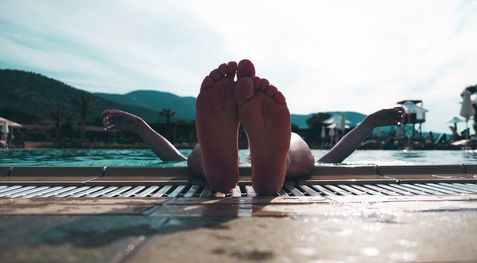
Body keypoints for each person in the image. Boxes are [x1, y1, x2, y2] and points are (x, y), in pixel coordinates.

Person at [102, 59, 404, 196]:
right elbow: (334, 158)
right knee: (302, 147)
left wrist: (140, 127)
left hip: (206, 168)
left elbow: (172, 160)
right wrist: (370, 123)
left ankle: (213, 161)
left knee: (189, 160)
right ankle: (281, 158)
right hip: (288, 170)